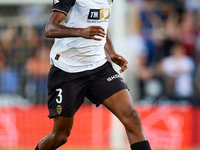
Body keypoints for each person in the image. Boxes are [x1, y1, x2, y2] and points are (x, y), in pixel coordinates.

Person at [35, 0, 151, 150]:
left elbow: (102, 22)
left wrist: (111, 52)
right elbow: (50, 29)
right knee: (60, 136)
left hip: (99, 68)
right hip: (67, 71)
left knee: (132, 117)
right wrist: (81, 32)